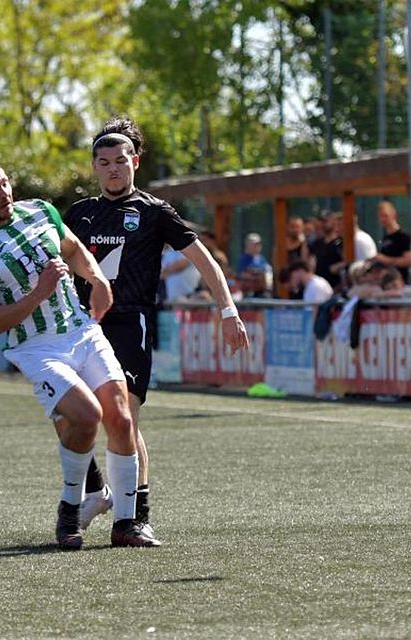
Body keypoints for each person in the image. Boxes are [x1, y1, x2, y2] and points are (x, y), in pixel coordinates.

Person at [63, 117, 249, 539]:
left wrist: (228, 311)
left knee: (122, 417)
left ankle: (133, 518)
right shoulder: (79, 214)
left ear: (135, 162)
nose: (113, 168)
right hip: (80, 326)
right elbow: (53, 264)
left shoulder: (153, 212)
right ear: (94, 167)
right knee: (71, 416)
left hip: (130, 323)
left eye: (121, 160)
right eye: (104, 162)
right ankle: (96, 491)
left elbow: (205, 260)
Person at [0, 157, 155, 549]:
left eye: (5, 183)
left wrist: (96, 278)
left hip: (80, 330)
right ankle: (70, 509)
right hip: (36, 347)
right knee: (86, 418)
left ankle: (127, 524)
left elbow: (74, 248)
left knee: (120, 415)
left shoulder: (40, 210)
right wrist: (38, 293)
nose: (4, 193)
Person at [370, 201, 411, 283]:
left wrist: (385, 259)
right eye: (380, 216)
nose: (382, 219)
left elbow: (408, 261)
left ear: (393, 214)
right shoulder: (385, 238)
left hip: (399, 282)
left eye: (385, 215)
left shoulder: (403, 237)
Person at [309, 211, 344, 292]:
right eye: (322, 221)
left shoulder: (340, 242)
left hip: (335, 287)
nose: (324, 224)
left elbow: (347, 262)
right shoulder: (317, 243)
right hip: (320, 286)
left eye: (326, 221)